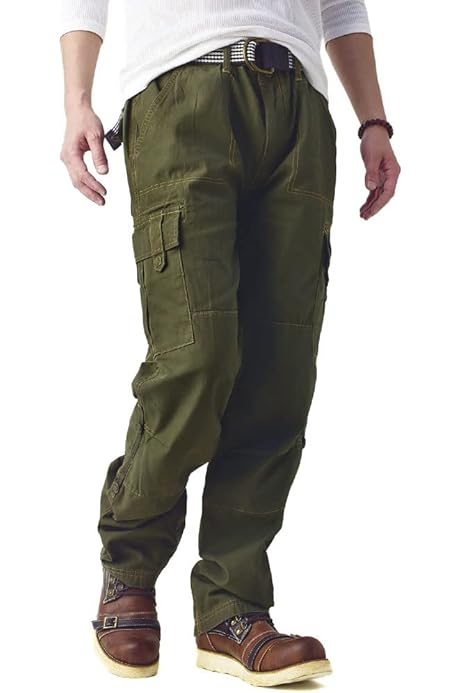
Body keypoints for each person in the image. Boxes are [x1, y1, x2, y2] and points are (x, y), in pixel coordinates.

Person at [59, 0, 400, 685]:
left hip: (300, 109)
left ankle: (232, 607)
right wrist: (76, 101)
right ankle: (128, 566)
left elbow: (341, 6)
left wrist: (373, 121)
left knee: (280, 373)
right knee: (196, 355)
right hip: (180, 96)